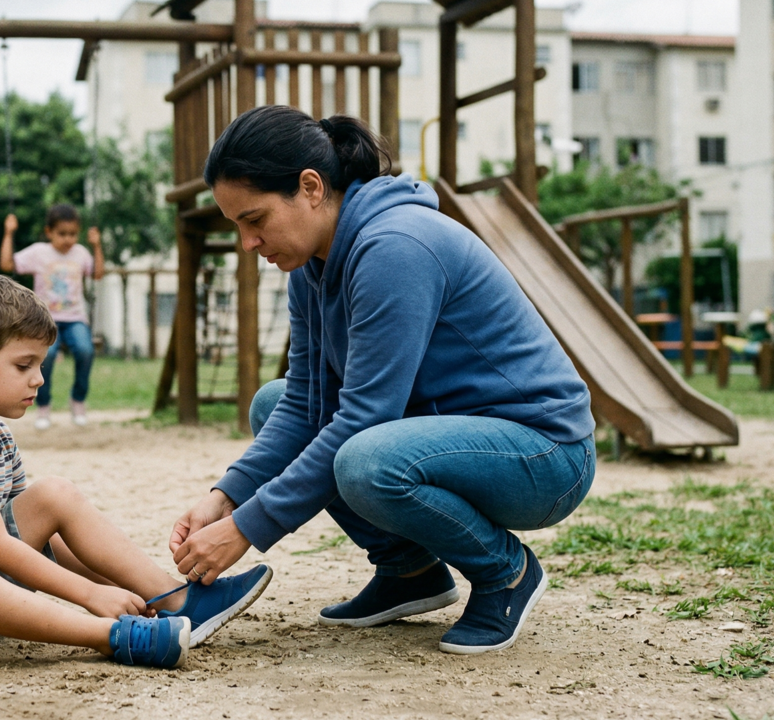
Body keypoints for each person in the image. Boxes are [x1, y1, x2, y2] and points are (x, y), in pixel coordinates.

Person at [169, 106, 595, 656]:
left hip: (544, 454)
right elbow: (304, 402)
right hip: (453, 437)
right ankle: (409, 571)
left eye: (255, 219)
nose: (248, 243)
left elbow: (365, 419)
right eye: (237, 226)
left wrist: (247, 529)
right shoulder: (312, 264)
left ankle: (506, 574)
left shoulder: (396, 246)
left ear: (311, 187)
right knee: (272, 403)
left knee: (365, 459)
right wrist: (225, 497)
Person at [0, 271, 271, 667]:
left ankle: (176, 599)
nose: (39, 379)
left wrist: (122, 591)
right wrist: (92, 595)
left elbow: (41, 541)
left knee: (54, 494)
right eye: (24, 366)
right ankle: (111, 636)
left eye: (41, 365)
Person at [0, 204, 104, 429]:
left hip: (75, 318)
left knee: (85, 350)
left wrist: (96, 246)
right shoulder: (39, 252)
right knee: (46, 356)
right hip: (46, 320)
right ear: (49, 232)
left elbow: (97, 274)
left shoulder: (81, 253)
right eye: (62, 234)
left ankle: (78, 400)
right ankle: (44, 406)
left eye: (73, 234)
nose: (68, 239)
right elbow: (7, 264)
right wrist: (9, 232)